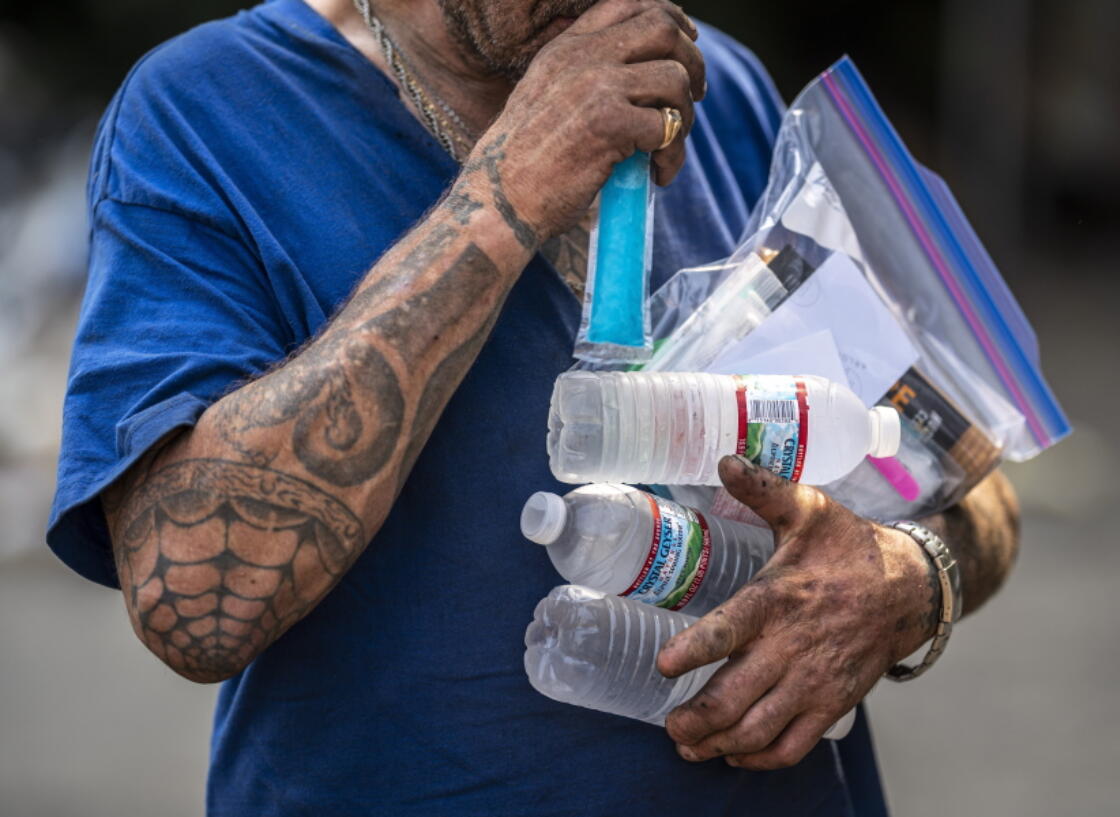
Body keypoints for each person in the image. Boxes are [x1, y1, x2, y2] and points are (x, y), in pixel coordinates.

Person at [48, 0, 1020, 813]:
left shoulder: (725, 96)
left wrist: (905, 576)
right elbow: (193, 606)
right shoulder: (210, 110)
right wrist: (509, 191)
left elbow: (967, 473)